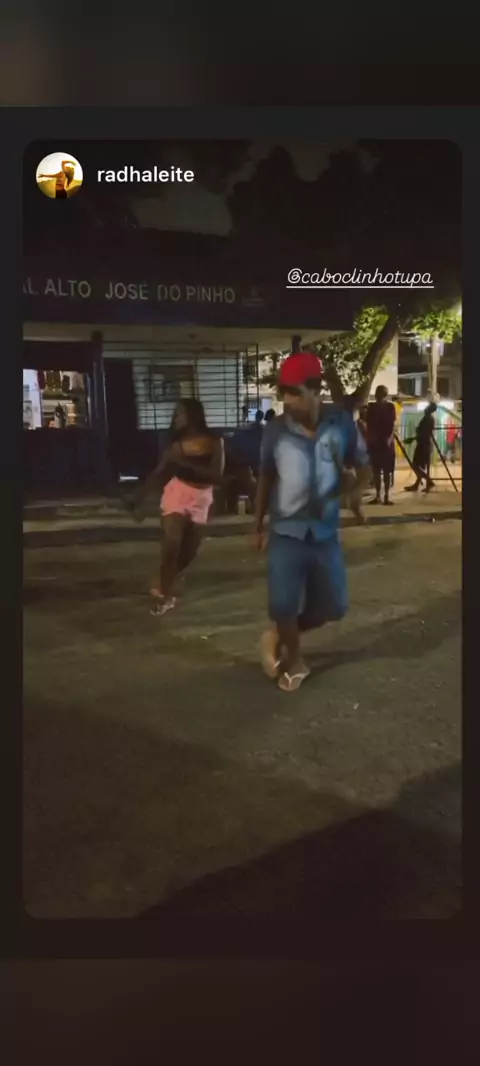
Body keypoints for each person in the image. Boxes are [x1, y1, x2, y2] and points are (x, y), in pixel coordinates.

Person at [254, 351, 371, 693]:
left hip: (324, 532)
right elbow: (265, 475)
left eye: (294, 392)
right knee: (283, 604)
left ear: (316, 390)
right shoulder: (275, 430)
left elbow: (364, 465)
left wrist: (355, 493)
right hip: (285, 531)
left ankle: (279, 635)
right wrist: (257, 524)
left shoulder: (342, 423)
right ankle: (295, 661)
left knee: (334, 607)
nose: (287, 401)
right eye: (284, 393)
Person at [133, 399, 225, 616]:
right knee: (172, 544)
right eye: (175, 414)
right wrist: (141, 501)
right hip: (178, 493)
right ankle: (164, 596)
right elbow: (160, 473)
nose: (176, 418)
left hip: (201, 498)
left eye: (181, 413)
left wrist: (184, 463)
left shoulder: (214, 442)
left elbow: (216, 476)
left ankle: (164, 580)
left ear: (193, 414)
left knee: (188, 553)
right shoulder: (176, 445)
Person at [366, 386, 396, 505]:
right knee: (378, 471)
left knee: (384, 471)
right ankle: (380, 495)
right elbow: (369, 424)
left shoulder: (389, 407)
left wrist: (389, 438)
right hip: (378, 442)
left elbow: (392, 425)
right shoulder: (373, 407)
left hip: (384, 442)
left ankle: (384, 495)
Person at [404, 402, 437, 493]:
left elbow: (424, 433)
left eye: (428, 407)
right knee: (419, 466)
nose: (426, 408)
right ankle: (417, 484)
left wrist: (412, 439)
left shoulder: (428, 419)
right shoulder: (427, 418)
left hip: (423, 445)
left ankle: (429, 481)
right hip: (423, 444)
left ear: (430, 409)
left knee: (415, 465)